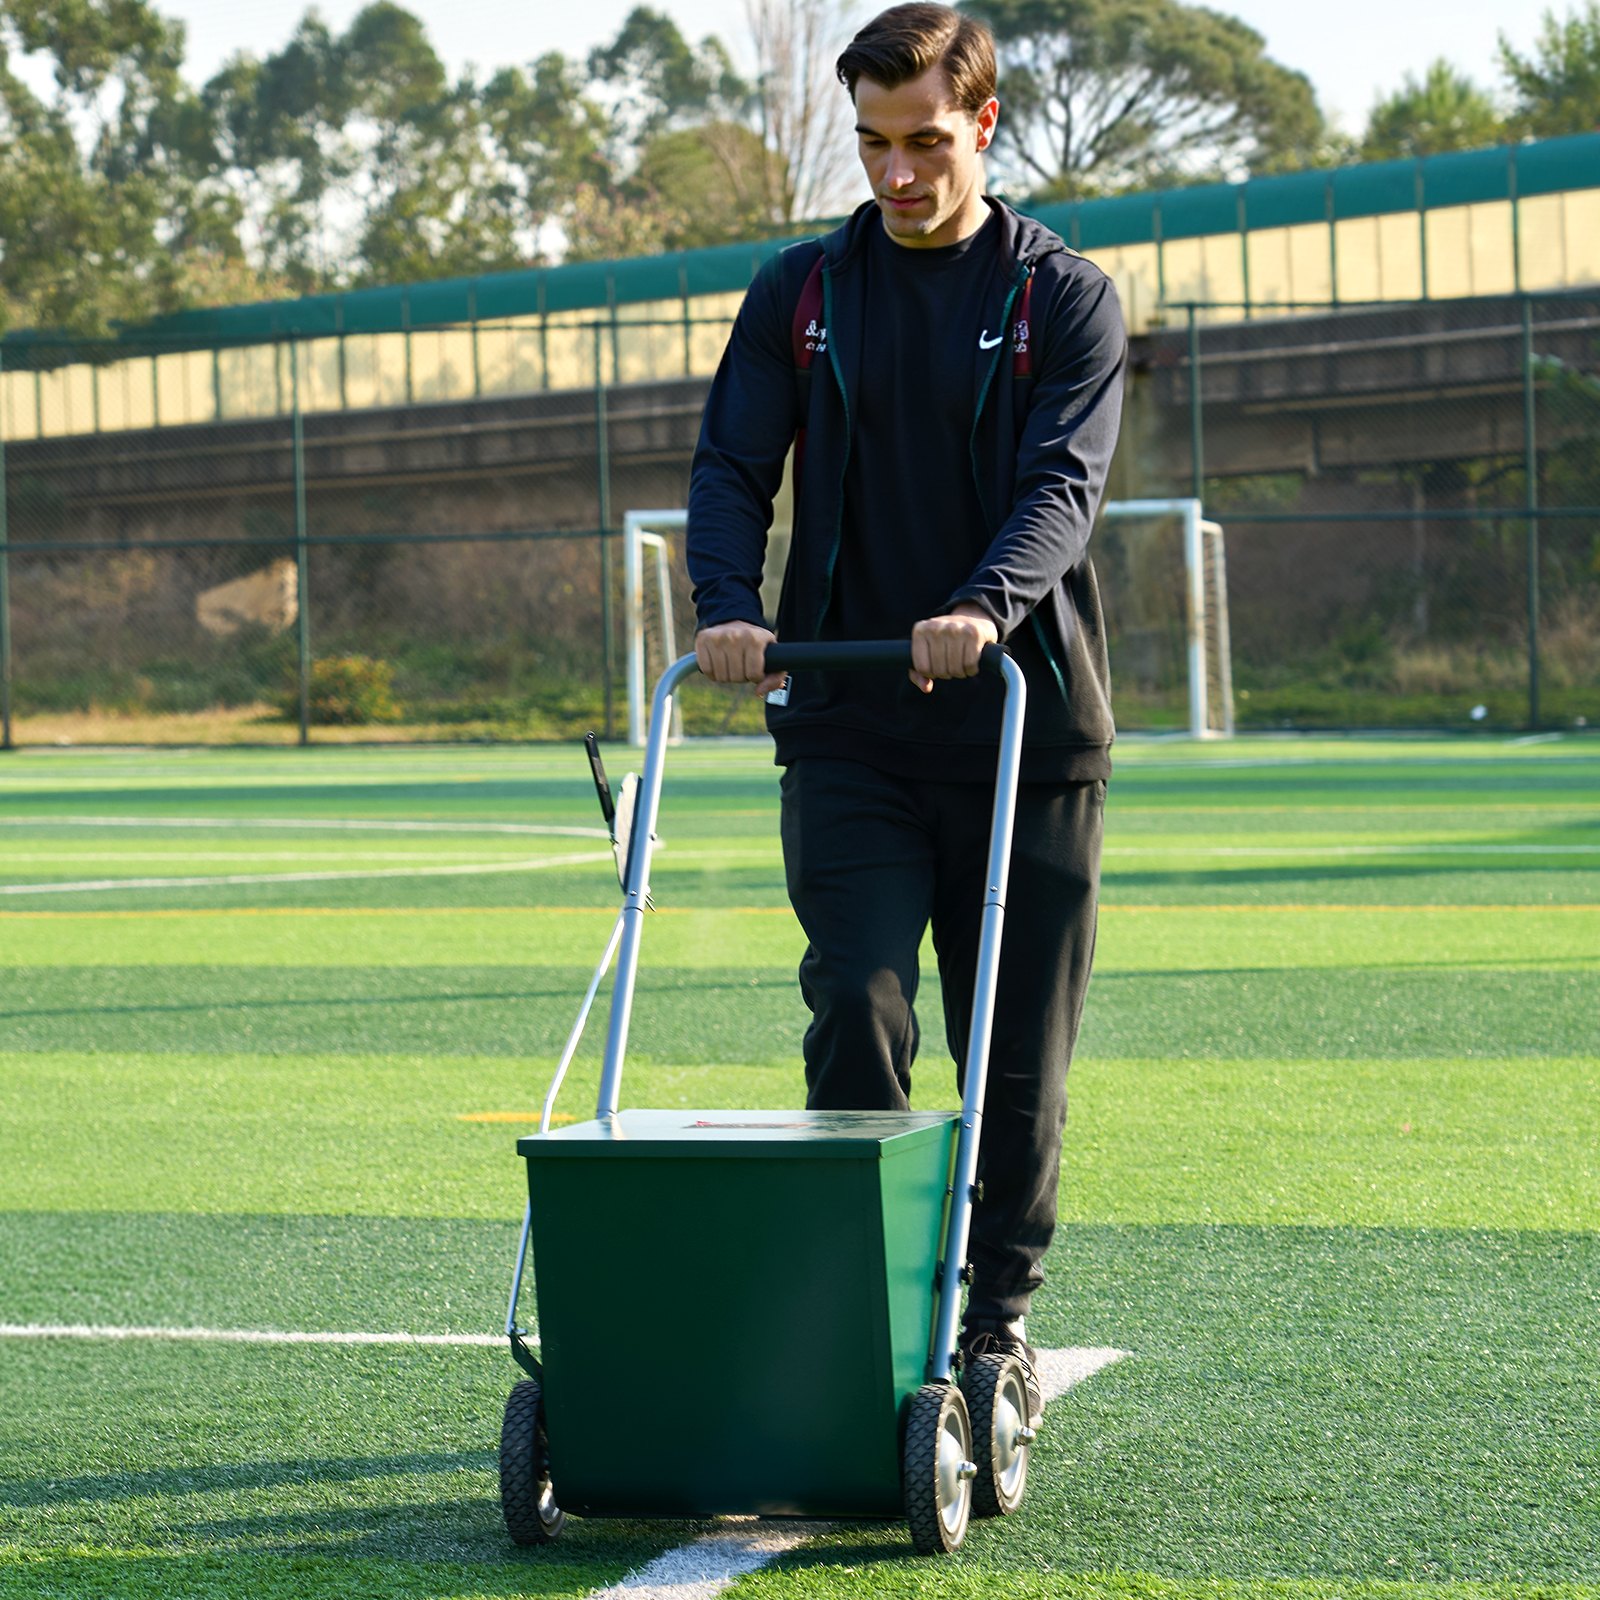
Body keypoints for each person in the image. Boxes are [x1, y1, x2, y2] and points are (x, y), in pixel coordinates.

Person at [686, 1, 1125, 1425]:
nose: (897, 174)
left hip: (1023, 726)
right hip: (853, 727)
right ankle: (866, 1307)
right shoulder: (801, 293)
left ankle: (995, 1327)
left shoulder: (1065, 297)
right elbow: (732, 465)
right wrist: (725, 605)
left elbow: (1063, 486)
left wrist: (985, 607)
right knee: (858, 1007)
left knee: (1014, 1056)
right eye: (872, 145)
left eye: (925, 141)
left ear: (984, 126)